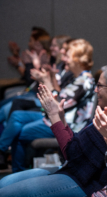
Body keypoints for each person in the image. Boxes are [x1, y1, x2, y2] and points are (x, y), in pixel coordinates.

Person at [0, 64, 107, 196]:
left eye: (100, 86)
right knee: (4, 183)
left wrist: (54, 115)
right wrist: (61, 118)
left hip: (84, 182)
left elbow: (71, 153)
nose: (95, 90)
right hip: (72, 171)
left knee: (4, 193)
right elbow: (76, 145)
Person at [0, 39, 95, 172]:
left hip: (66, 125)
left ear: (77, 59)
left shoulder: (84, 81)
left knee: (19, 132)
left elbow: (58, 104)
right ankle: (10, 161)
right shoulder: (76, 77)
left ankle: (16, 169)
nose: (64, 59)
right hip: (54, 118)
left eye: (67, 56)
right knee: (16, 118)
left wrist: (45, 81)